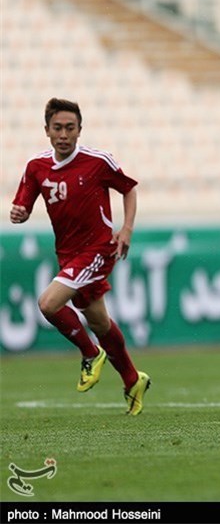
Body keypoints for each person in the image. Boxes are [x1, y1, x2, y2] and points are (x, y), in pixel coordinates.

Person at [9, 97, 151, 416]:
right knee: (99, 321)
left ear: (79, 130)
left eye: (70, 128)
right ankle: (132, 379)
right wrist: (18, 213)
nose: (63, 134)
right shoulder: (36, 167)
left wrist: (125, 229)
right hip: (68, 254)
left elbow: (128, 189)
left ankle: (90, 354)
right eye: (57, 127)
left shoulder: (98, 161)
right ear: (46, 130)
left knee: (48, 303)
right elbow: (23, 207)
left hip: (99, 249)